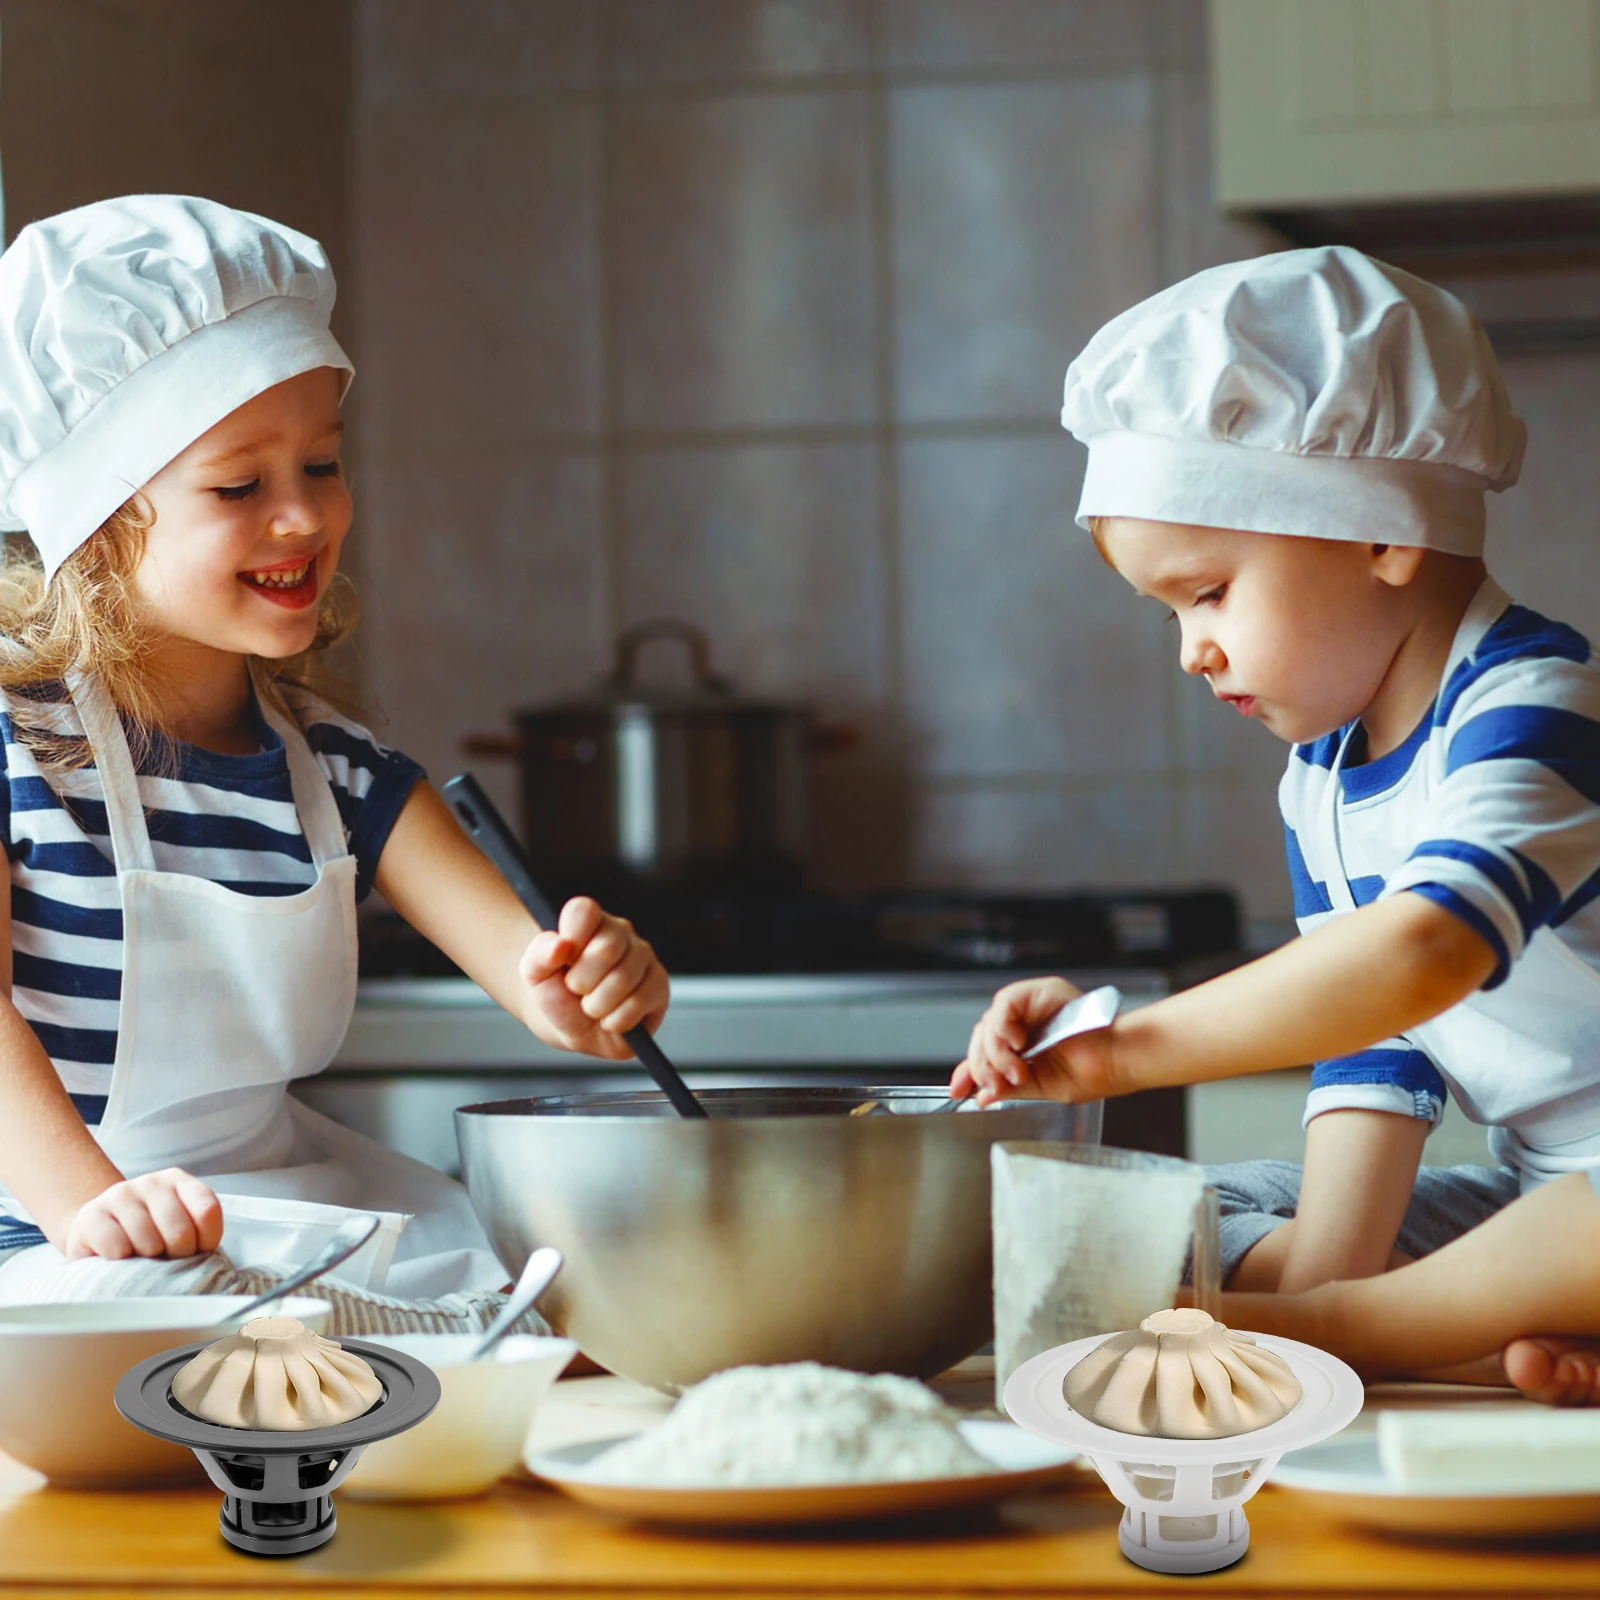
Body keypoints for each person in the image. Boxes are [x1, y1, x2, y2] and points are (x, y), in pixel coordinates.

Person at [0, 195, 669, 1334]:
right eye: (238, 485)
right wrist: (92, 1205)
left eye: (321, 463)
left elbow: (540, 982)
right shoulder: (18, 752)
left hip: (283, 1221)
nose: (305, 516)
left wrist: (594, 992)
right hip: (60, 1244)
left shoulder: (344, 776)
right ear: (100, 518)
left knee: (562, 1297)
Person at [949, 245, 1600, 1400]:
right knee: (1208, 1198)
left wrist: (1125, 1045)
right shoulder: (1320, 779)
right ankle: (1406, 1316)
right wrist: (1318, 1269)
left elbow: (1419, 953)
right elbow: (1379, 1046)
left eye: (1206, 592)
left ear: (1380, 532)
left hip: (1578, 1210)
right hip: (1537, 1206)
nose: (1190, 648)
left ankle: (1366, 1331)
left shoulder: (1536, 705)